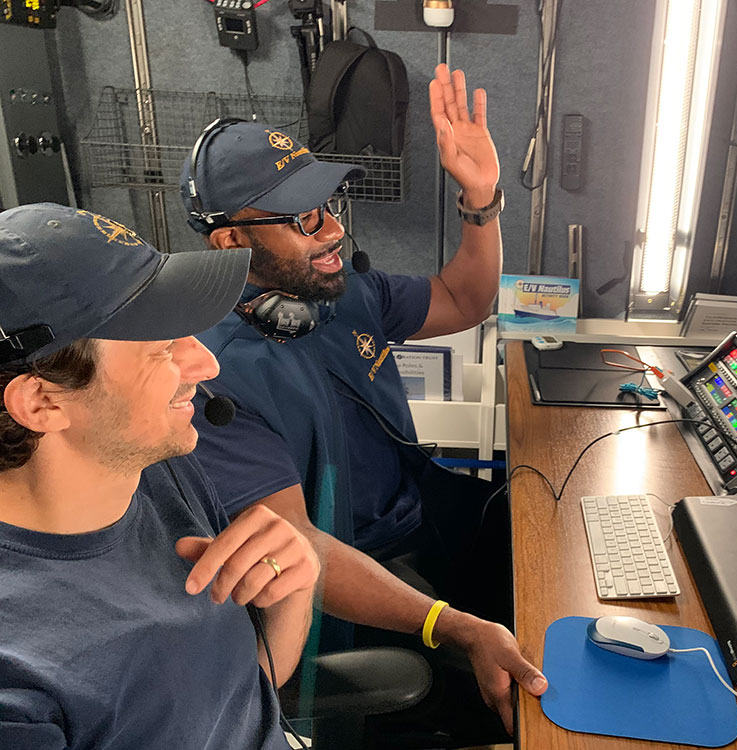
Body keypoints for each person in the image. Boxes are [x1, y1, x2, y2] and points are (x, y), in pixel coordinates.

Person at [178, 63, 545, 740]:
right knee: (533, 703)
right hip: (357, 590)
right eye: (306, 217)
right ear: (230, 240)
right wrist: (454, 627)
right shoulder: (206, 378)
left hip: (423, 516)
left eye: (330, 208)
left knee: (546, 555)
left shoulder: (339, 290)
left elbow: (466, 298)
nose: (333, 233)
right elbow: (302, 549)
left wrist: (483, 199)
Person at [0, 203, 322, 749]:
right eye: (165, 347)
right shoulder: (18, 671)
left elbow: (239, 694)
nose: (207, 365)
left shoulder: (160, 472)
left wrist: (297, 587)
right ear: (43, 402)